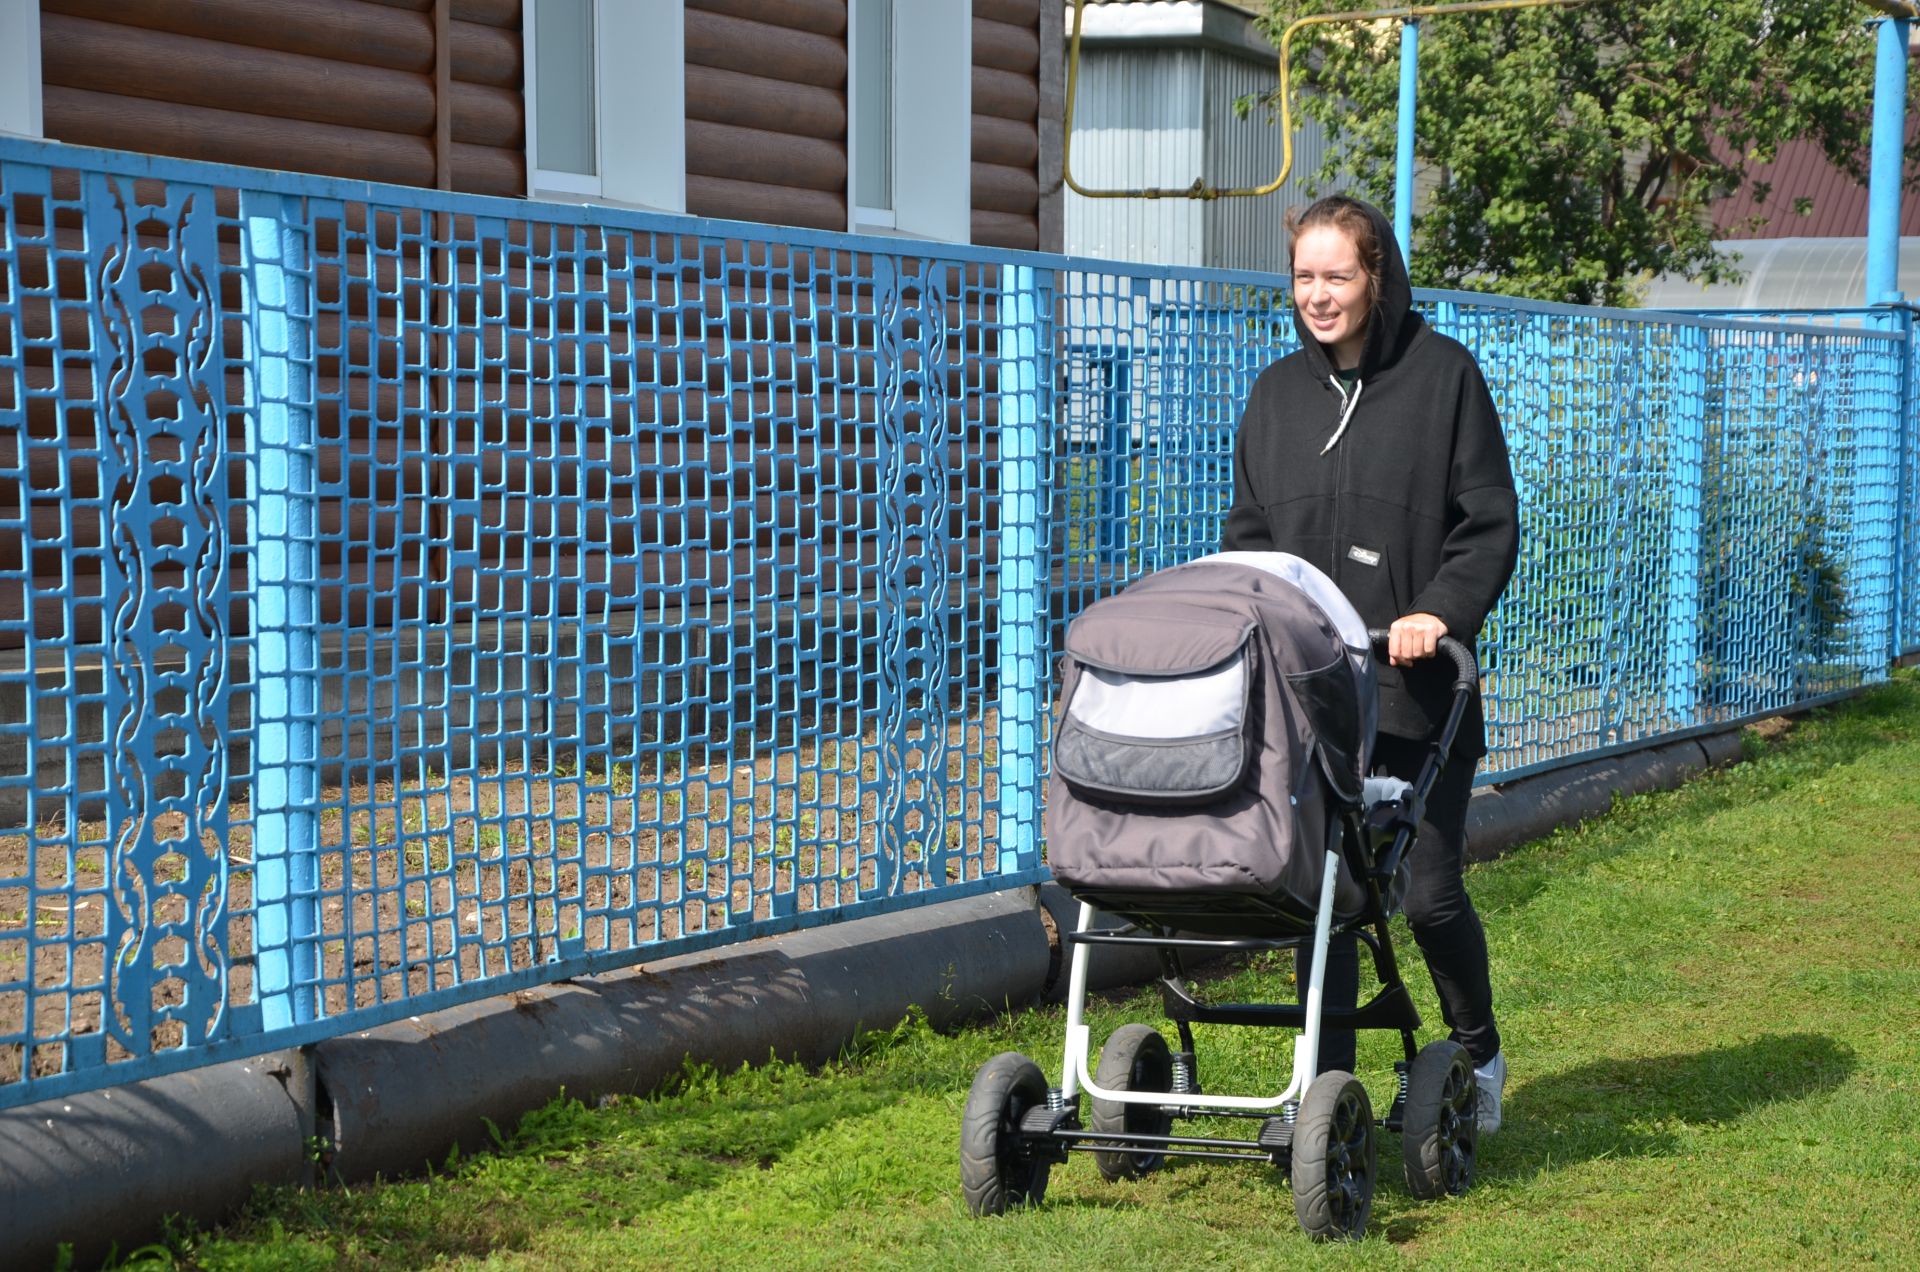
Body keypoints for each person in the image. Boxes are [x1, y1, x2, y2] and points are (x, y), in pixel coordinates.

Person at [1222, 195, 1519, 1131]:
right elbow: (1251, 541)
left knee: (1427, 895)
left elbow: (1489, 524)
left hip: (1416, 691)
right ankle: (1328, 1097)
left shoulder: (1445, 380)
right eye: (1304, 277)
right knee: (1324, 901)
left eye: (1336, 276)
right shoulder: (1274, 397)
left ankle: (1480, 1057)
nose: (1317, 295)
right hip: (1315, 697)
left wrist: (1438, 611)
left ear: (1376, 277)